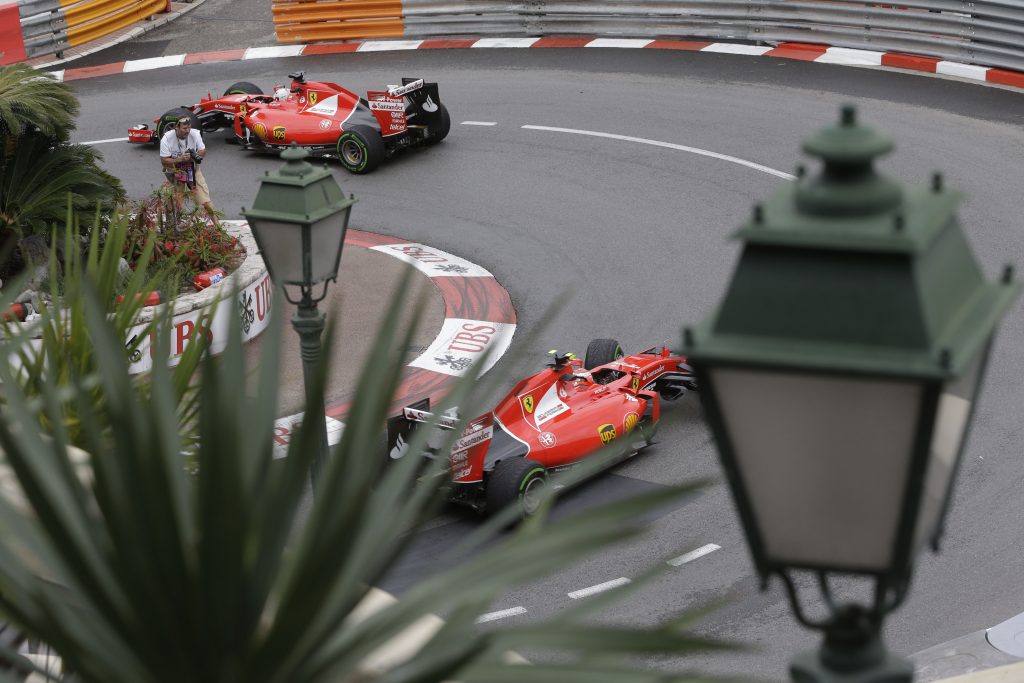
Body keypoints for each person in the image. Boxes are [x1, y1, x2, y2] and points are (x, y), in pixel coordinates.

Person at [159, 116, 219, 225]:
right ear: (176, 127)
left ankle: (218, 226)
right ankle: (171, 226)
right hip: (175, 173)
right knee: (171, 202)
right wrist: (180, 159)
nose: (187, 130)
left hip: (192, 171)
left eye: (189, 127)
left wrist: (193, 156)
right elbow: (164, 161)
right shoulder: (167, 139)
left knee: (205, 200)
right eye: (184, 128)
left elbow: (203, 151)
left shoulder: (195, 134)